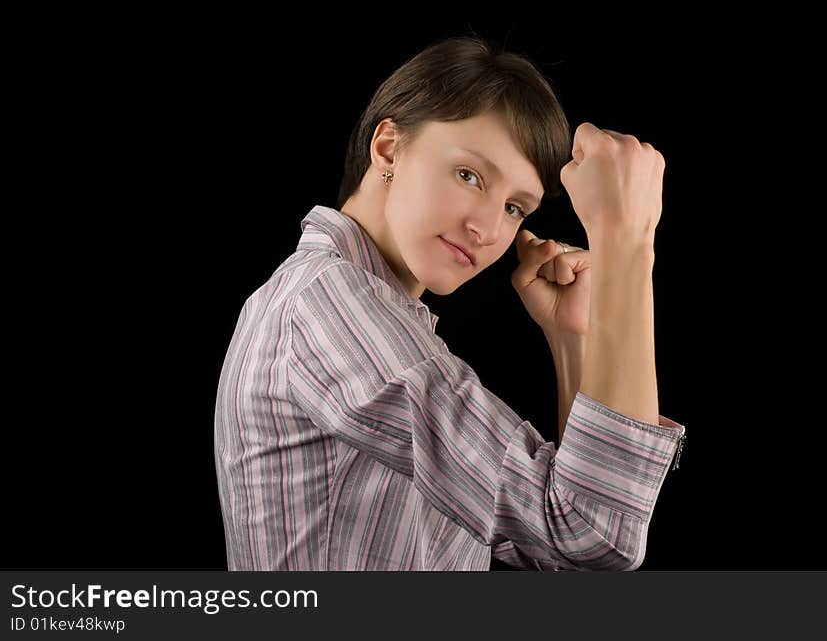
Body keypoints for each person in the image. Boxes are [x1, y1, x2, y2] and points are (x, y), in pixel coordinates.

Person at [214, 34, 685, 571]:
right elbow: (592, 534)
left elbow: (557, 552)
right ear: (388, 147)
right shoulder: (330, 307)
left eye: (514, 207)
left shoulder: (373, 317)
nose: (486, 228)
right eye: (469, 175)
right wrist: (627, 239)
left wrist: (574, 338)